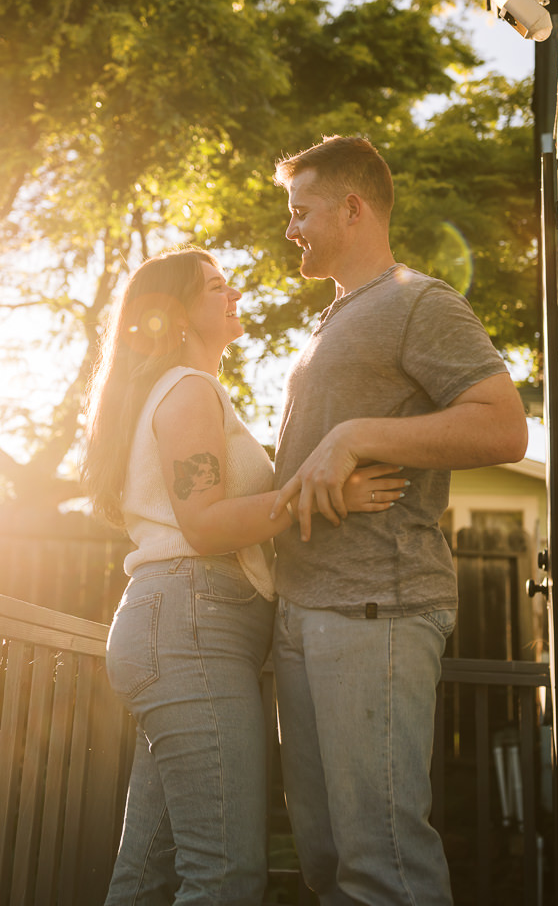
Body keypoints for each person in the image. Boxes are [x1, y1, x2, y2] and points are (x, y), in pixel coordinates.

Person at [82, 246, 407, 905]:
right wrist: (326, 494)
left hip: (177, 628)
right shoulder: (188, 389)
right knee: (224, 874)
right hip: (189, 629)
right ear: (176, 316)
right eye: (214, 287)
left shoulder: (182, 391)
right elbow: (204, 525)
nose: (233, 294)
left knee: (147, 874)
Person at [268, 136, 529, 906]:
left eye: (300, 211)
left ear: (352, 208)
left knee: (382, 864)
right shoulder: (332, 320)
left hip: (374, 607)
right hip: (304, 609)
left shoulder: (421, 302)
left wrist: (356, 436)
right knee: (323, 861)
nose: (291, 230)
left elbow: (503, 427)